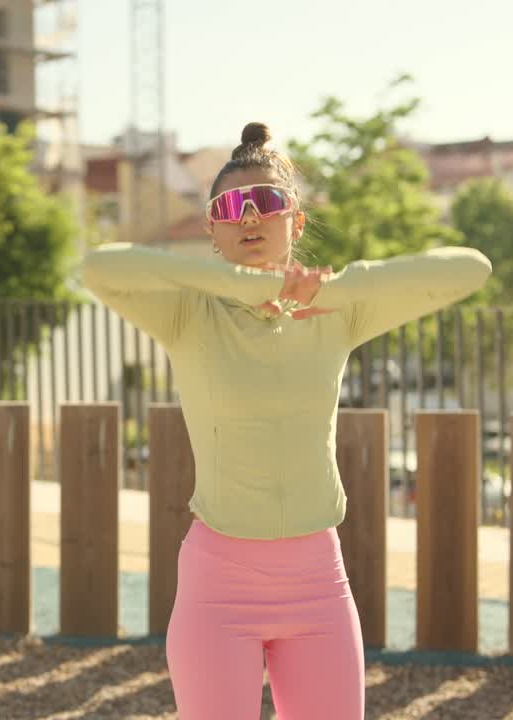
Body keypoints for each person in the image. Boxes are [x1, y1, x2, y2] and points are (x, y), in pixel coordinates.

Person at [78, 122, 491, 719]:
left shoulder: (335, 312)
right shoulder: (188, 316)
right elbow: (100, 266)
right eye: (231, 206)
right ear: (213, 229)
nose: (250, 216)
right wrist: (243, 286)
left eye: (267, 202)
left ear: (295, 221)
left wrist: (340, 286)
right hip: (217, 588)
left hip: (318, 585)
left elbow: (469, 269)